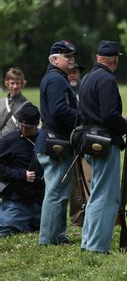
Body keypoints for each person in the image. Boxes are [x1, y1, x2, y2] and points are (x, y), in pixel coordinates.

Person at [80, 40, 127, 253]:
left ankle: (88, 242)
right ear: (115, 60)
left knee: (97, 193)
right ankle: (97, 246)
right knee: (106, 196)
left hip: (91, 139)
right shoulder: (106, 79)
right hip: (104, 141)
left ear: (98, 58)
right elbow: (108, 115)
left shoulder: (88, 77)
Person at [36, 40, 79, 246]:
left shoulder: (56, 78)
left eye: (72, 56)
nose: (71, 59)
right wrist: (83, 118)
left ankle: (58, 235)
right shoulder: (56, 80)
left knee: (60, 193)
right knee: (55, 193)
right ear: (55, 59)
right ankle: (48, 238)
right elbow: (59, 110)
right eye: (67, 56)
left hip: (56, 141)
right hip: (55, 142)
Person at [0, 103, 44, 237]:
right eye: (21, 125)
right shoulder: (8, 141)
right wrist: (21, 175)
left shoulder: (45, 138)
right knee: (6, 229)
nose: (24, 130)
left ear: (37, 124)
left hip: (41, 198)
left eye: (28, 127)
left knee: (44, 228)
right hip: (17, 199)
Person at [67, 62, 90, 227]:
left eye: (75, 72)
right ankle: (76, 219)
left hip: (86, 137)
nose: (73, 75)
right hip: (68, 139)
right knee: (74, 182)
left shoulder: (85, 89)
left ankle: (91, 217)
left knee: (89, 178)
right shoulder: (63, 91)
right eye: (70, 72)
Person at [0, 68, 29, 138]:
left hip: (14, 143)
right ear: (7, 83)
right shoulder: (1, 102)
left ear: (22, 84)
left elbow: (12, 129)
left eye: (17, 83)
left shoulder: (26, 105)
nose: (15, 86)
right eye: (12, 83)